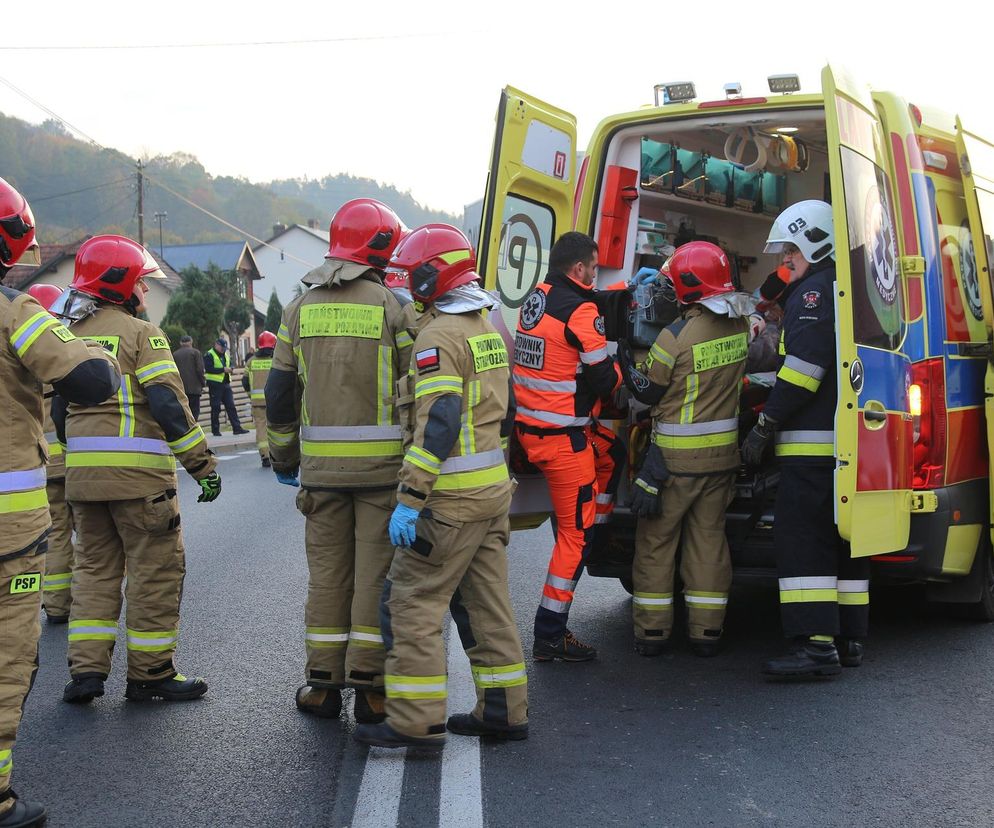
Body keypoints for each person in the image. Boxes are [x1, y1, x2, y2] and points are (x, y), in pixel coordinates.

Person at [353, 223, 526, 751]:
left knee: (410, 602)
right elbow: (508, 411)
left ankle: (416, 721)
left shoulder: (438, 336)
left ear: (431, 277)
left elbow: (441, 422)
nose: (406, 288)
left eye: (411, 277)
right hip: (491, 493)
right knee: (486, 604)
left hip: (449, 500)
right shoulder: (485, 326)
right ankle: (503, 710)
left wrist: (410, 499)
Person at [0, 178, 120, 828]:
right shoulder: (15, 312)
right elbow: (93, 379)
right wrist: (88, 345)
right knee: (6, 658)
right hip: (8, 535)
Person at [265, 198, 414, 723]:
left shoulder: (298, 310)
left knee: (328, 577)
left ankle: (323, 685)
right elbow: (417, 389)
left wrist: (284, 458)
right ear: (382, 249)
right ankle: (371, 692)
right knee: (374, 577)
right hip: (383, 474)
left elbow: (279, 394)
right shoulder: (394, 308)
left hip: (321, 474)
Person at [58, 234, 222, 705]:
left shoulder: (70, 336)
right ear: (121, 284)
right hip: (141, 484)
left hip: (84, 483)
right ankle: (151, 673)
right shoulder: (142, 335)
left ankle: (86, 674)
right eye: (141, 282)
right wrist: (202, 466)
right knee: (154, 574)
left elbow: (58, 415)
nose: (146, 290)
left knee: (94, 572)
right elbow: (169, 406)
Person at [740, 200, 869, 677]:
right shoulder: (843, 287)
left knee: (802, 541)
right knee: (844, 542)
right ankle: (849, 638)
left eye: (791, 251)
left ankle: (815, 647)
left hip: (811, 450)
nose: (784, 260)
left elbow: (803, 373)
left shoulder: (812, 294)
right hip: (843, 445)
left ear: (816, 245)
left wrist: (765, 424)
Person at [617, 242, 749, 657]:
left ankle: (652, 632)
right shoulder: (740, 326)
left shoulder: (674, 337)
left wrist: (626, 362)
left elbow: (648, 391)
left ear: (689, 287)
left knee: (656, 543)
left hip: (673, 464)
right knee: (708, 542)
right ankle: (706, 632)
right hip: (721, 461)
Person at [512, 231, 621, 662]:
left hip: (532, 431)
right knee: (574, 539)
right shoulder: (581, 309)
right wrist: (623, 371)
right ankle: (550, 635)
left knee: (612, 452)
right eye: (593, 267)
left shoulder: (534, 300)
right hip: (563, 441)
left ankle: (600, 530)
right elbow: (604, 380)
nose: (595, 275)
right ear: (578, 269)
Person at [27, 284, 78, 625]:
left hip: (39, 464)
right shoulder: (61, 350)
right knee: (91, 535)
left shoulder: (17, 353)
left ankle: (57, 604)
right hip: (71, 461)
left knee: (55, 532)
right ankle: (88, 600)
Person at [242, 331, 276, 467]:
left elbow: (244, 381)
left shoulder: (251, 361)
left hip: (257, 403)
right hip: (274, 401)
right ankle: (277, 455)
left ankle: (265, 456)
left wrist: (251, 395)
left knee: (261, 428)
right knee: (276, 428)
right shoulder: (275, 361)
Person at [204, 337, 248, 437]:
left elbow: (230, 363)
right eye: (222, 347)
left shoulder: (225, 355)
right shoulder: (209, 355)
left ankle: (237, 428)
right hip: (215, 385)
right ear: (216, 345)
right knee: (216, 407)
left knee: (231, 406)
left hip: (225, 384)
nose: (223, 350)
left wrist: (231, 368)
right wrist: (223, 369)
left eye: (224, 348)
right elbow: (209, 369)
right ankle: (215, 430)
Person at [173, 335, 206, 421]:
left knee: (183, 411)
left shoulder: (175, 354)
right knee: (194, 412)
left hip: (180, 388)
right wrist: (203, 383)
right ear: (191, 342)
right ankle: (193, 427)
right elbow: (200, 370)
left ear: (180, 343)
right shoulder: (196, 353)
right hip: (194, 388)